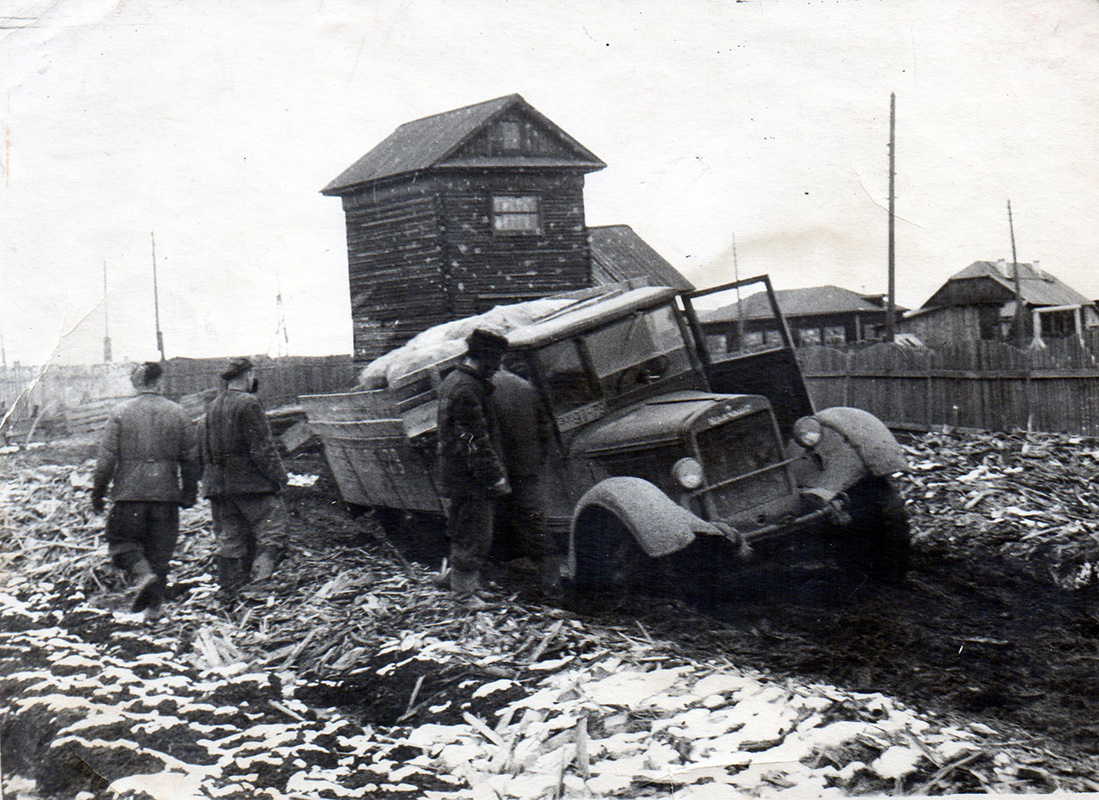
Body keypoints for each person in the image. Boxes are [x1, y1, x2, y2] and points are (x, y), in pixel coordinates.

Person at [91, 361, 199, 615]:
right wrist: (189, 491)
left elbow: (106, 459)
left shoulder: (120, 412)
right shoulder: (179, 413)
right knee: (160, 553)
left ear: (135, 384)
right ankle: (154, 612)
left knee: (122, 542)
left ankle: (142, 576)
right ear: (160, 382)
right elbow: (191, 457)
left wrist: (98, 492)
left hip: (129, 495)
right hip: (166, 495)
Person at [200, 357, 289, 597]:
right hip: (250, 484)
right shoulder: (249, 403)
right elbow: (262, 448)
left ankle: (230, 594)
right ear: (249, 375)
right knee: (273, 530)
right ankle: (259, 589)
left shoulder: (213, 406)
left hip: (219, 486)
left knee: (230, 539)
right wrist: (280, 477)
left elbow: (204, 448)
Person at [437, 328, 510, 597]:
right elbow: (472, 441)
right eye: (496, 361)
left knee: (465, 529)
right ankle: (464, 594)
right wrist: (493, 476)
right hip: (469, 479)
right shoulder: (467, 389)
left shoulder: (454, 381)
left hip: (458, 475)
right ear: (485, 358)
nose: (498, 368)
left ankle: (463, 584)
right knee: (475, 533)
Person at [492, 353, 564, 597]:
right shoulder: (524, 387)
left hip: (495, 473)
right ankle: (552, 587)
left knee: (492, 527)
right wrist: (536, 460)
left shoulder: (478, 389)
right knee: (534, 524)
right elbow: (543, 427)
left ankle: (504, 584)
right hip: (526, 469)